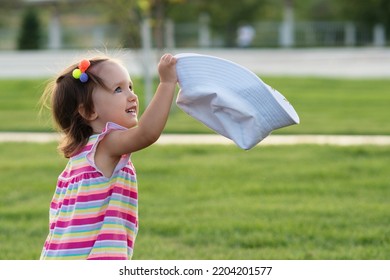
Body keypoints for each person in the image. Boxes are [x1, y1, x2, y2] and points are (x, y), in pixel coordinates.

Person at [39, 53, 177, 260]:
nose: (132, 96)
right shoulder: (105, 145)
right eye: (118, 89)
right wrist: (167, 83)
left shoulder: (81, 154)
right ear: (88, 111)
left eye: (130, 86)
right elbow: (147, 133)